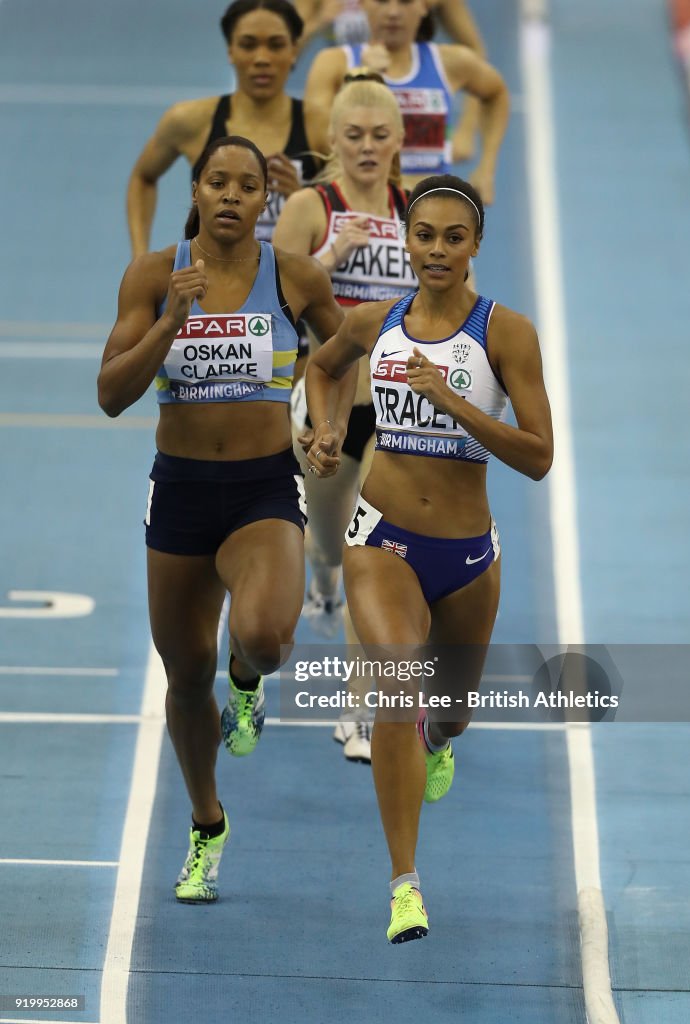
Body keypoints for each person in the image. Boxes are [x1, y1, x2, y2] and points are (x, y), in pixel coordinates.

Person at [302, 174, 553, 942]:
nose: (437, 250)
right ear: (405, 241)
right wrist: (324, 429)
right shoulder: (375, 321)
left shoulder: (505, 334)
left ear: (476, 246)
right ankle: (403, 884)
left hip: (470, 555)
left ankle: (439, 742)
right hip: (381, 539)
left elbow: (539, 457)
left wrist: (455, 403)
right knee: (398, 688)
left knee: (449, 714)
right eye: (424, 235)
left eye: (453, 237)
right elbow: (322, 366)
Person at [99, 136, 349, 903]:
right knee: (181, 676)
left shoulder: (294, 276)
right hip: (178, 492)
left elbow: (342, 352)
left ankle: (248, 676)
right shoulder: (153, 275)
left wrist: (328, 422)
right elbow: (111, 392)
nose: (234, 195)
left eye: (248, 185)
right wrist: (169, 322)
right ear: (198, 191)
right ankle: (208, 823)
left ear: (265, 200)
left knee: (267, 638)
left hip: (262, 490)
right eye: (218, 182)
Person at [274, 73, 416, 763]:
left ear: (399, 141)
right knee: (329, 546)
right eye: (353, 136)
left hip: (392, 415)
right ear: (332, 139)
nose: (366, 147)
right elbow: (275, 300)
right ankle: (320, 578)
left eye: (379, 136)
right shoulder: (311, 204)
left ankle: (358, 710)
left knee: (373, 556)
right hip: (325, 402)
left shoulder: (414, 206)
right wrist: (332, 256)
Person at [127, 0, 322, 257]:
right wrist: (140, 256)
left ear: (294, 50)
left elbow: (355, 210)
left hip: (290, 287)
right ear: (231, 50)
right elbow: (143, 177)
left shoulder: (323, 127)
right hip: (209, 285)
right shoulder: (191, 121)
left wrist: (303, 200)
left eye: (275, 45)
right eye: (248, 45)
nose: (262, 58)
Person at [302, 0, 509, 200]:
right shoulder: (333, 64)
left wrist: (486, 168)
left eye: (405, 1)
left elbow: (496, 93)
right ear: (363, 3)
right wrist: (361, 79)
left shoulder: (449, 63)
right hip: (362, 214)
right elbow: (318, 144)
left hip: (426, 215)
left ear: (424, 5)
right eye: (382, 1)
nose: (393, 12)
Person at [294, 0, 487, 160]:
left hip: (409, 87)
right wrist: (318, 22)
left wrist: (467, 130)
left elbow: (474, 48)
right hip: (347, 87)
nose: (393, 11)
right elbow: (288, 50)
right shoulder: (332, 59)